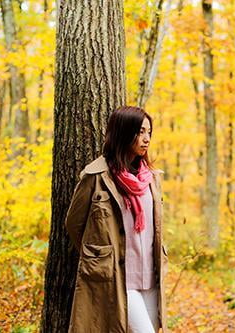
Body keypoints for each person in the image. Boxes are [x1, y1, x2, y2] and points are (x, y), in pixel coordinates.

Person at [64, 106, 168, 333]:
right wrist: (98, 257)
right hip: (118, 279)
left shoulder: (152, 179)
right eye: (140, 132)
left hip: (151, 277)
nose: (147, 139)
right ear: (123, 132)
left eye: (149, 132)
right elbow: (74, 224)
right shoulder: (97, 177)